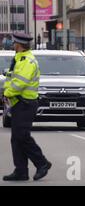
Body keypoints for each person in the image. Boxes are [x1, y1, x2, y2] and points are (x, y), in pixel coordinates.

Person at [2, 33, 51, 182]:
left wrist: (7, 92)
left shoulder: (27, 61)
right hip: (18, 103)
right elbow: (11, 79)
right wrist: (7, 94)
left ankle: (42, 162)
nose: (12, 44)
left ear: (19, 44)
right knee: (16, 139)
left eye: (14, 42)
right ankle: (21, 171)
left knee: (22, 136)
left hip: (26, 103)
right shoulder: (18, 59)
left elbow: (20, 83)